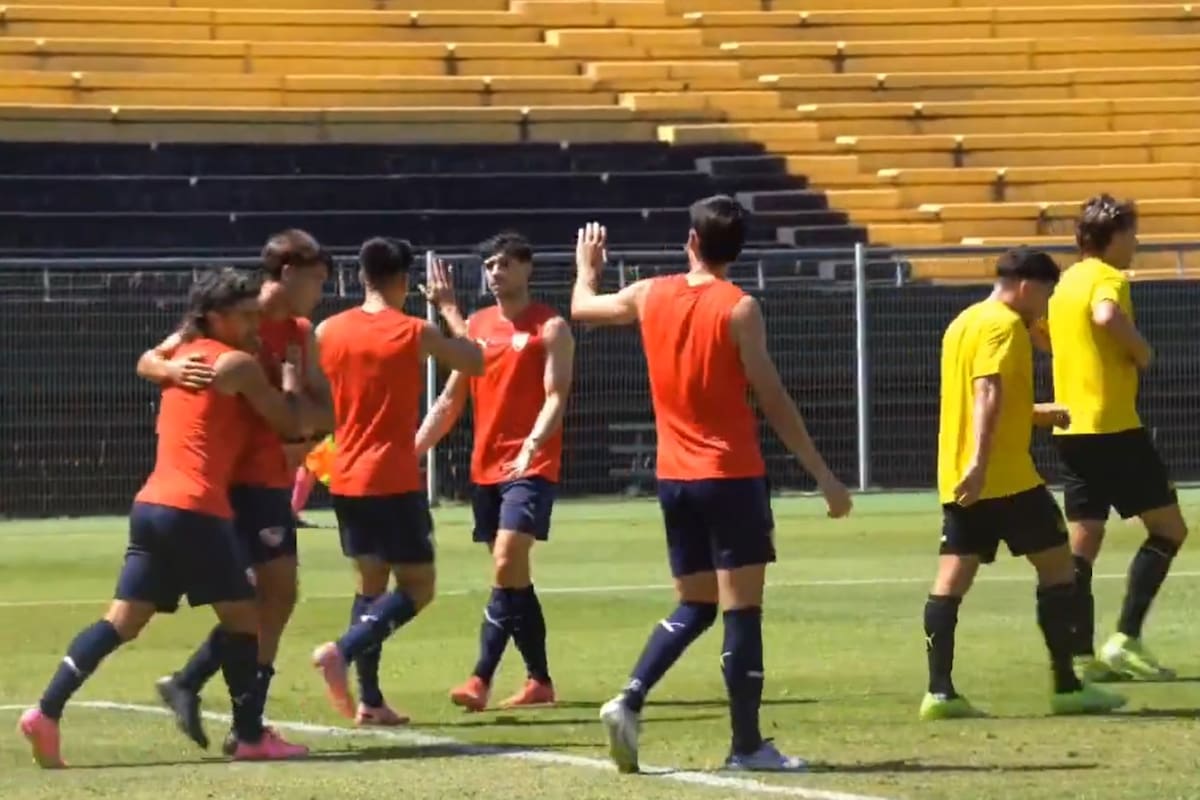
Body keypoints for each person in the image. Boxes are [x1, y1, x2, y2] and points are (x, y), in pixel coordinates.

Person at [570, 196, 852, 774]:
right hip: (730, 476)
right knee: (741, 610)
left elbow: (582, 308)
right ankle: (747, 746)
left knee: (696, 602)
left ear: (691, 242)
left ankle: (628, 698)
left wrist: (587, 271)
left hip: (673, 477)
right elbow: (771, 398)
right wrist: (824, 476)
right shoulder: (739, 308)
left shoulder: (650, 293)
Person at [18, 269, 322, 767]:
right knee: (249, 617)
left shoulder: (176, 357)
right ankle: (248, 736)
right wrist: (290, 375)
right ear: (216, 317)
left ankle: (46, 712)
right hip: (198, 509)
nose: (253, 324)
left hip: (151, 505)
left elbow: (151, 358)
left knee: (123, 620)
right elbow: (289, 422)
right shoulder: (237, 364)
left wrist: (164, 363)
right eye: (244, 316)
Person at [136, 230, 331, 753]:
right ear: (287, 273)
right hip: (235, 481)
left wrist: (296, 417)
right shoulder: (235, 313)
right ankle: (240, 722)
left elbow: (324, 412)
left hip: (267, 478)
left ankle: (212, 698)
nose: (321, 291)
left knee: (272, 597)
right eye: (317, 280)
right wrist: (171, 368)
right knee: (266, 597)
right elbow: (152, 358)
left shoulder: (300, 331)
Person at [921, 247, 1126, 721]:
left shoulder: (964, 322)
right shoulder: (1004, 326)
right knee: (1060, 569)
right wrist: (981, 461)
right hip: (1004, 478)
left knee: (950, 582)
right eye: (1047, 294)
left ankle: (939, 693)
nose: (1045, 306)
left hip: (958, 480)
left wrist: (1035, 414)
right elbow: (986, 392)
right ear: (1029, 286)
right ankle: (1067, 687)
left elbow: (975, 399)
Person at [311, 237, 483, 724]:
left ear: (361, 276)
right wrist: (450, 310)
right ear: (404, 280)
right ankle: (340, 652)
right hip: (392, 476)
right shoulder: (412, 330)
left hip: (345, 476)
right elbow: (475, 362)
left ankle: (369, 700)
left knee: (370, 589)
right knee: (418, 587)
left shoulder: (328, 330)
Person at [415, 233, 574, 711]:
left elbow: (556, 397)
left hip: (531, 463)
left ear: (527, 269)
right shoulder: (479, 326)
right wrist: (414, 449)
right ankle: (539, 682)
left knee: (506, 561)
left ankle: (480, 678)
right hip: (486, 468)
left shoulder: (552, 327)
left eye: (504, 263)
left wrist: (531, 443)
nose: (494, 271)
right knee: (514, 578)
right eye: (488, 264)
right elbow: (450, 399)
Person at [1043, 195, 1187, 682]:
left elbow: (1041, 333)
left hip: (1072, 429)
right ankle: (1125, 639)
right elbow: (1106, 317)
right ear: (1114, 236)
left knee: (1082, 546)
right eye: (1133, 233)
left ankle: (1081, 654)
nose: (1138, 242)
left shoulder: (1065, 282)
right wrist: (1141, 351)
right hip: (1114, 427)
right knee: (1170, 531)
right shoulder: (1106, 277)